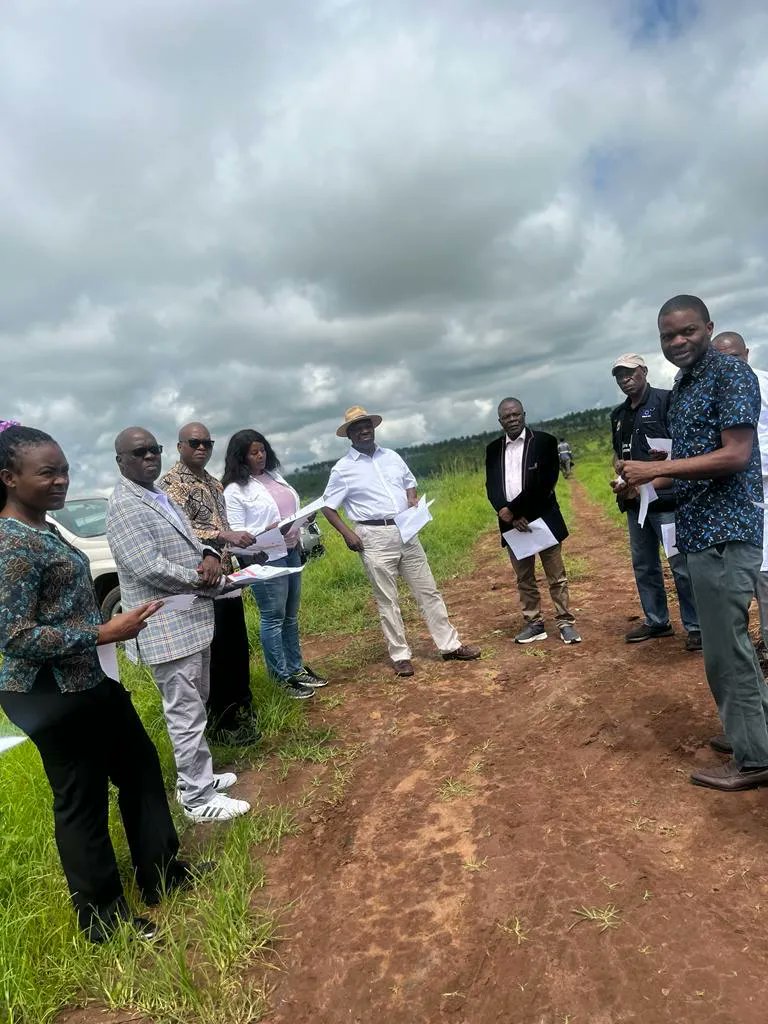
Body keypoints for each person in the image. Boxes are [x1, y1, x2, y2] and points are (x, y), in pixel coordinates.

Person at [0, 425, 204, 943]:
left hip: (88, 679)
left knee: (138, 768)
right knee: (81, 800)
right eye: (47, 472)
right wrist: (103, 631)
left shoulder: (44, 529)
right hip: (47, 693)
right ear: (8, 478)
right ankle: (104, 920)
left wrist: (100, 636)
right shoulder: (9, 543)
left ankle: (162, 874)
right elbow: (15, 636)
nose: (61, 480)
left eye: (64, 469)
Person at [620, 295, 768, 792]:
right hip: (700, 529)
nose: (678, 342)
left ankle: (755, 759)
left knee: (727, 648)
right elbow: (692, 469)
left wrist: (657, 468)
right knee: (724, 648)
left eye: (687, 331)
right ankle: (755, 735)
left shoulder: (730, 375)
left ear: (708, 327)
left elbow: (735, 455)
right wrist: (645, 483)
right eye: (668, 336)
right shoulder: (684, 386)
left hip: (728, 531)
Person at [106, 427, 251, 822]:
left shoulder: (157, 494)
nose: (149, 456)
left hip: (189, 621)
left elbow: (190, 540)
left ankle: (197, 778)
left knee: (195, 705)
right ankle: (197, 799)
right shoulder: (124, 505)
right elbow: (147, 566)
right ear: (120, 460)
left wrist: (207, 553)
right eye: (139, 452)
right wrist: (207, 579)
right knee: (184, 713)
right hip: (168, 627)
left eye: (153, 449)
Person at [322, 406, 481, 677]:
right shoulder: (343, 469)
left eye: (367, 425)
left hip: (405, 529)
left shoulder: (392, 457)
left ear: (373, 428)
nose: (363, 431)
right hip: (373, 536)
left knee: (428, 590)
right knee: (387, 599)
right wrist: (348, 534)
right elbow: (327, 507)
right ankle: (400, 655)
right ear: (349, 435)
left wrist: (412, 498)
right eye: (357, 428)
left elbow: (409, 482)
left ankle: (449, 645)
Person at [160, 421, 261, 745]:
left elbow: (227, 528)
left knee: (235, 646)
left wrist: (245, 549)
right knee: (214, 653)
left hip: (227, 578)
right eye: (194, 442)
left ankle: (241, 706)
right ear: (180, 447)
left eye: (207, 443)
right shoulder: (170, 486)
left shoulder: (215, 484)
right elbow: (182, 532)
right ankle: (222, 721)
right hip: (200, 581)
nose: (202, 447)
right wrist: (222, 536)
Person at [222, 429, 326, 700]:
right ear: (240, 457)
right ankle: (279, 678)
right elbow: (236, 533)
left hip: (291, 550)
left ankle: (295, 668)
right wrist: (268, 529)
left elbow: (289, 508)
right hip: (266, 558)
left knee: (290, 615)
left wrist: (304, 515)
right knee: (272, 617)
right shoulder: (234, 490)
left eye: (263, 450)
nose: (260, 456)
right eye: (253, 452)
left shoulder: (273, 477)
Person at [609, 354, 700, 650]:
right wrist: (622, 475)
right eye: (620, 375)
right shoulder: (619, 414)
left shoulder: (666, 401)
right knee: (644, 564)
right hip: (635, 503)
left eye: (630, 373)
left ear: (644, 371)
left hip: (666, 501)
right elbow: (618, 455)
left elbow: (683, 448)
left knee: (680, 565)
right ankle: (657, 621)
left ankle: (696, 626)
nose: (625, 379)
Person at [485, 398, 581, 645]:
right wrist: (503, 510)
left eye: (516, 414)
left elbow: (545, 483)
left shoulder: (545, 442)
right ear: (500, 421)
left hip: (541, 519)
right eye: (507, 416)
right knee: (524, 578)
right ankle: (534, 623)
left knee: (556, 575)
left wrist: (517, 511)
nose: (512, 419)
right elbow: (492, 486)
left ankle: (565, 622)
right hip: (512, 525)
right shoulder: (493, 449)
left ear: (524, 414)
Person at [711, 332, 768, 648]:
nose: (730, 366)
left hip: (764, 491)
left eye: (735, 359)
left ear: (747, 354)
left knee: (765, 577)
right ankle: (744, 648)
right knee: (732, 579)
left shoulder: (764, 384)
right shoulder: (711, 393)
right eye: (722, 360)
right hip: (728, 495)